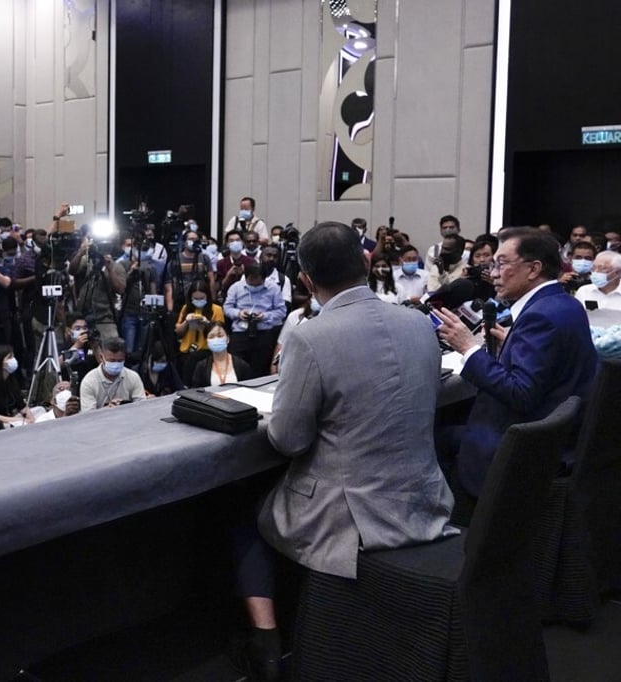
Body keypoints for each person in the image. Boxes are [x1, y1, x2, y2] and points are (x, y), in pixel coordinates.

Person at [244, 222, 455, 677]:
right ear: (365, 263)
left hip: (351, 518)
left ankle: (268, 642)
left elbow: (289, 440)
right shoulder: (419, 323)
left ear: (304, 280)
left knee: (245, 511)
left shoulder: (310, 336)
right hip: (425, 498)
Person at [433, 228, 599, 513]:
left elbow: (521, 393)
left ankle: (451, 528)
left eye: (501, 264)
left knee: (431, 430)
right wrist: (512, 342)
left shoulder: (539, 316)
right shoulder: (565, 303)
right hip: (558, 437)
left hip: (521, 446)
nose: (493, 274)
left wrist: (468, 348)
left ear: (534, 269)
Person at [224, 263, 286, 377]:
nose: (254, 285)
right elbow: (227, 308)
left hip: (264, 333)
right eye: (251, 281)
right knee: (237, 367)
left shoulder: (273, 288)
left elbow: (281, 311)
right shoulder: (236, 287)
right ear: (246, 277)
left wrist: (265, 316)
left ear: (264, 278)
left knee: (260, 369)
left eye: (258, 282)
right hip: (240, 332)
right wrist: (239, 313)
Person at [174, 280, 225, 386]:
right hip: (187, 350)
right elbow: (178, 332)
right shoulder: (186, 308)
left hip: (207, 350)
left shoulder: (216, 310)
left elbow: (220, 332)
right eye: (195, 298)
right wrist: (186, 322)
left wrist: (207, 323)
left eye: (201, 298)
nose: (198, 301)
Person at [79, 337, 145, 411]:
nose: (116, 364)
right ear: (101, 358)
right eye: (112, 361)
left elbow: (141, 408)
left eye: (120, 360)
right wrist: (107, 410)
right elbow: (88, 415)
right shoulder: (89, 381)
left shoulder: (133, 377)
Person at [190, 322, 253, 388]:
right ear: (207, 341)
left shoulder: (241, 365)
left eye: (220, 336)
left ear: (228, 339)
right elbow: (195, 392)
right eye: (211, 337)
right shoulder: (201, 366)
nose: (216, 339)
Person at [461, 234, 498, 302]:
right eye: (477, 256)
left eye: (487, 255)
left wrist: (495, 283)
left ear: (493, 257)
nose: (482, 259)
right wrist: (462, 281)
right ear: (471, 260)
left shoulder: (500, 275)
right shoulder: (468, 272)